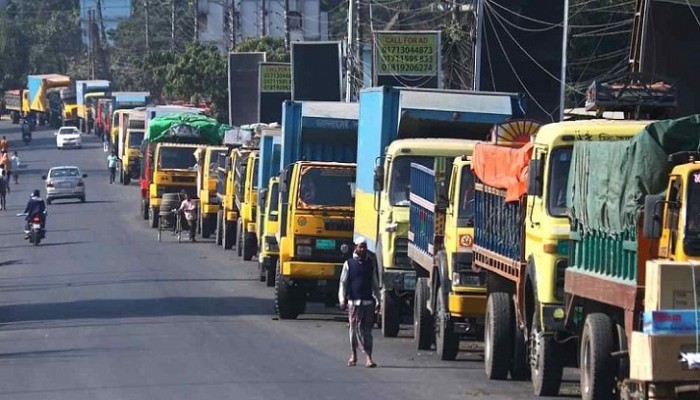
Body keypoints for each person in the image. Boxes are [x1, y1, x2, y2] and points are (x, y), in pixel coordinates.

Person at [338, 237, 380, 368]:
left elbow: (374, 283)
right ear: (355, 247)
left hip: (368, 302)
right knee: (353, 330)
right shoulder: (348, 264)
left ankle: (369, 358)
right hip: (353, 302)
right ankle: (354, 355)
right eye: (360, 247)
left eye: (364, 247)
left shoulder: (370, 263)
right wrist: (342, 300)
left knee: (367, 331)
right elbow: (343, 283)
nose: (362, 249)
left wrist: (378, 300)